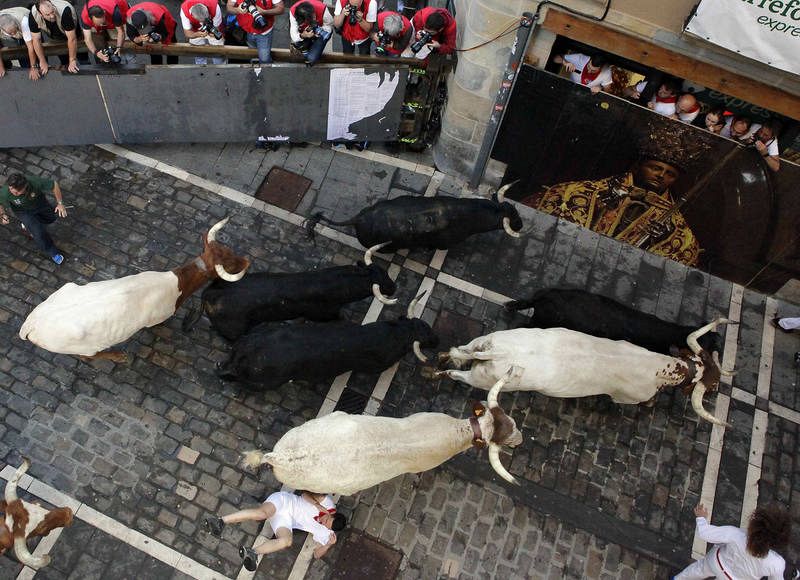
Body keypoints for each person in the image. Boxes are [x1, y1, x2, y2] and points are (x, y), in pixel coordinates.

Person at [526, 123, 712, 266]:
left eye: (670, 174)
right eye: (655, 168)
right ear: (640, 166)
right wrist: (599, 207)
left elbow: (679, 258)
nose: (661, 175)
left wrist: (660, 240)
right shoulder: (582, 192)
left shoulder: (676, 229)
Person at [204, 490, 346, 571]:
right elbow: (304, 495)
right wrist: (318, 506)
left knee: (287, 541)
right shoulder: (327, 502)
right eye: (327, 519)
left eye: (326, 525)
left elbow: (316, 554)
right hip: (283, 501)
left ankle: (253, 553)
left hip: (285, 520)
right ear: (332, 513)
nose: (323, 522)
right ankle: (220, 521)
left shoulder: (327, 532)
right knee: (262, 514)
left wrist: (328, 545)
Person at [673, 503, 789, 579]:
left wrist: (701, 518)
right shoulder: (777, 563)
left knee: (698, 569)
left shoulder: (735, 534)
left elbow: (704, 533)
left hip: (715, 562)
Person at [0, 173, 68, 265]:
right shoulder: (6, 192)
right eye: (11, 189)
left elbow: (54, 184)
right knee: (39, 233)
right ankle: (52, 251)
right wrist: (3, 214)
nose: (13, 193)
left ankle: (28, 225)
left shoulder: (35, 182)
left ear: (25, 187)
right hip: (23, 212)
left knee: (51, 218)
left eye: (17, 192)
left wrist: (60, 203)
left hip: (39, 204)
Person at [27, 0, 83, 74]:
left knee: (81, 54)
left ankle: (84, 63)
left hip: (72, 30)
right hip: (55, 36)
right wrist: (42, 61)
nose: (52, 16)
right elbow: (36, 40)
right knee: (62, 56)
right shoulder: (33, 15)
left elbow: (72, 39)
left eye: (52, 12)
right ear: (40, 14)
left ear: (53, 6)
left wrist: (72, 60)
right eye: (47, 14)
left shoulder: (65, 11)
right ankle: (65, 65)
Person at [227, 0, 283, 64]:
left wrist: (264, 12)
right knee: (253, 53)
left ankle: (267, 69)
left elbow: (280, 8)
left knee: (264, 58)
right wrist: (237, 10)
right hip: (246, 30)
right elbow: (229, 7)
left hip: (264, 33)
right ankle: (256, 65)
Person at [180, 0, 225, 65]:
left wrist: (212, 34)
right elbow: (187, 33)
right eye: (201, 21)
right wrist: (197, 34)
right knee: (198, 51)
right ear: (192, 16)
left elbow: (217, 28)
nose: (203, 23)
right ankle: (200, 67)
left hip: (212, 26)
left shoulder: (215, 7)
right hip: (196, 30)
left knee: (218, 51)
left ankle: (220, 67)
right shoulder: (184, 10)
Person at [289, 0, 333, 66]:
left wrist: (317, 33)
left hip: (321, 30)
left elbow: (329, 26)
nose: (315, 17)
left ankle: (309, 48)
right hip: (306, 31)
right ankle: (306, 47)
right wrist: (303, 35)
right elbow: (294, 35)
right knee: (297, 42)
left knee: (311, 59)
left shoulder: (323, 10)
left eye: (314, 15)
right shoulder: (293, 12)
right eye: (311, 18)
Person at [0, 8, 37, 80]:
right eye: (11, 33)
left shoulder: (24, 22)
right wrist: (1, 66)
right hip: (15, 28)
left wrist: (33, 67)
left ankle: (40, 67)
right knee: (21, 51)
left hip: (26, 23)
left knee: (35, 46)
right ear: (2, 29)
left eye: (15, 30)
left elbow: (31, 47)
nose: (14, 34)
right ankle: (25, 69)